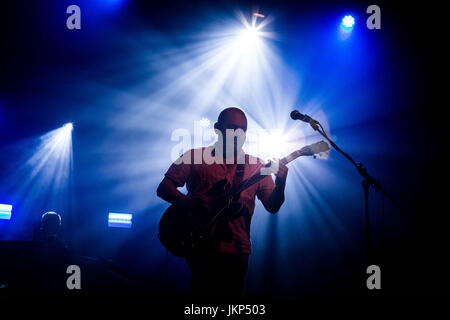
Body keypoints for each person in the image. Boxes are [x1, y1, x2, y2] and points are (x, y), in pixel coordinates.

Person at [157, 107, 288, 300]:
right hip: (201, 243)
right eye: (232, 128)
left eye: (242, 129)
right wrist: (190, 202)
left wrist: (281, 182)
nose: (238, 134)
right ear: (217, 128)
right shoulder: (194, 156)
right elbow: (164, 188)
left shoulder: (257, 166)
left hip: (238, 248)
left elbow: (272, 206)